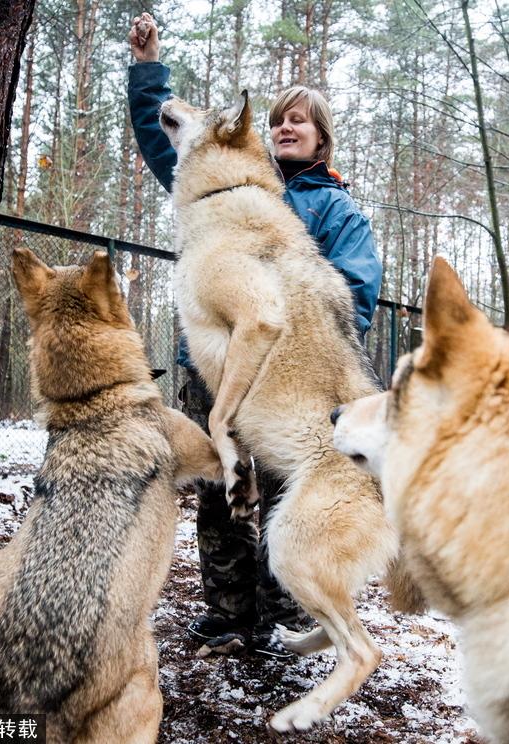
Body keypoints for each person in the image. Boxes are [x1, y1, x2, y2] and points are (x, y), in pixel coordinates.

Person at [127, 13, 382, 658]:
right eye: (276, 120)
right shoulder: (227, 183)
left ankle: (273, 619)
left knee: (277, 500)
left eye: (300, 120)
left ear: (322, 139)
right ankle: (228, 615)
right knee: (219, 496)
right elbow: (171, 142)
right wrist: (148, 67)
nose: (284, 127)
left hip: (285, 384)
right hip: (212, 367)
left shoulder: (335, 210)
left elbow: (353, 296)